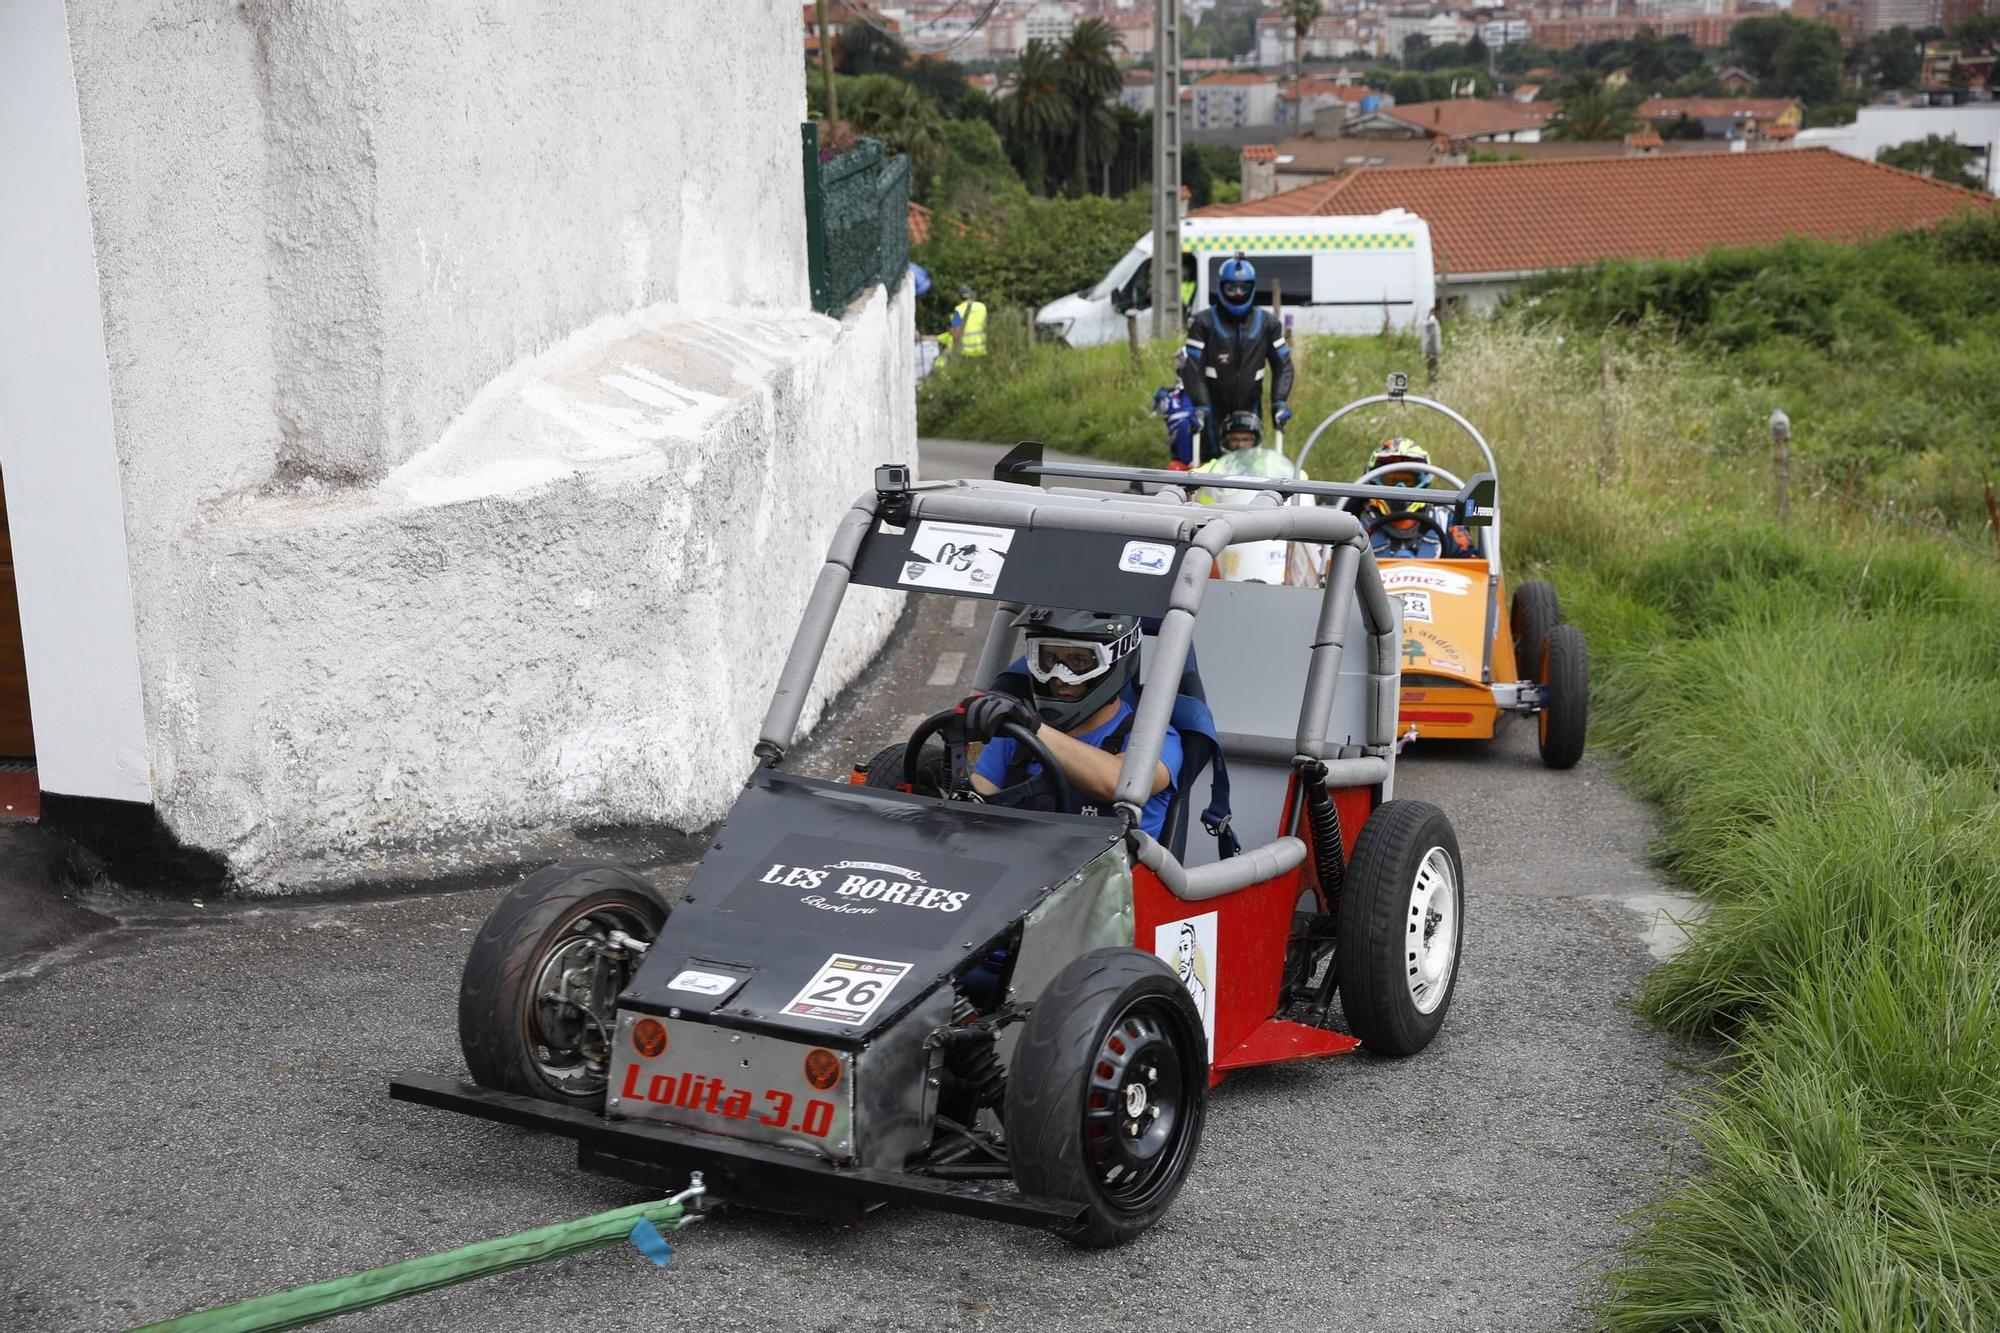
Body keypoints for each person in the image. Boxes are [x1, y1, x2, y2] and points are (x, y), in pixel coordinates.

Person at [960, 608, 1182, 839]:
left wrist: (1031, 726)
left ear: (1115, 660)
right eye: (1049, 659)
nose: (1059, 676)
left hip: (1107, 872)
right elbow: (975, 814)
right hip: (1016, 863)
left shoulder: (1157, 738)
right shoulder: (1013, 731)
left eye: (1078, 660)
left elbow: (1119, 783)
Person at [1179, 253, 1294, 461]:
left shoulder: (1268, 324)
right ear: (1222, 287)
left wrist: (1279, 402)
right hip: (1211, 406)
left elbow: (1283, 365)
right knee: (1211, 459)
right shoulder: (1203, 323)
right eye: (1231, 288)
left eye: (1243, 287)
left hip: (1250, 405)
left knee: (1249, 460)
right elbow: (1193, 368)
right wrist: (1200, 405)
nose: (1238, 293)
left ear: (1252, 287)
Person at [1363, 438, 1475, 559]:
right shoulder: (1358, 523)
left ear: (1422, 482)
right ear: (1376, 480)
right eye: (1392, 481)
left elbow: (1472, 566)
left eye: (1407, 481)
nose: (1400, 488)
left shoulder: (1444, 519)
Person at [1152, 379, 1197, 470]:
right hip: (1175, 427)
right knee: (1184, 425)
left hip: (1185, 424)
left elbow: (1190, 410)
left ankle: (1190, 462)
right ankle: (1187, 463)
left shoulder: (1185, 395)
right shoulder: (1166, 395)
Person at [948, 284, 988, 359]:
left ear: (959, 297)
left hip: (966, 352)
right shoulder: (982, 306)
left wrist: (951, 332)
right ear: (971, 295)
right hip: (981, 349)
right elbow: (986, 325)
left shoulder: (959, 309)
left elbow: (956, 332)